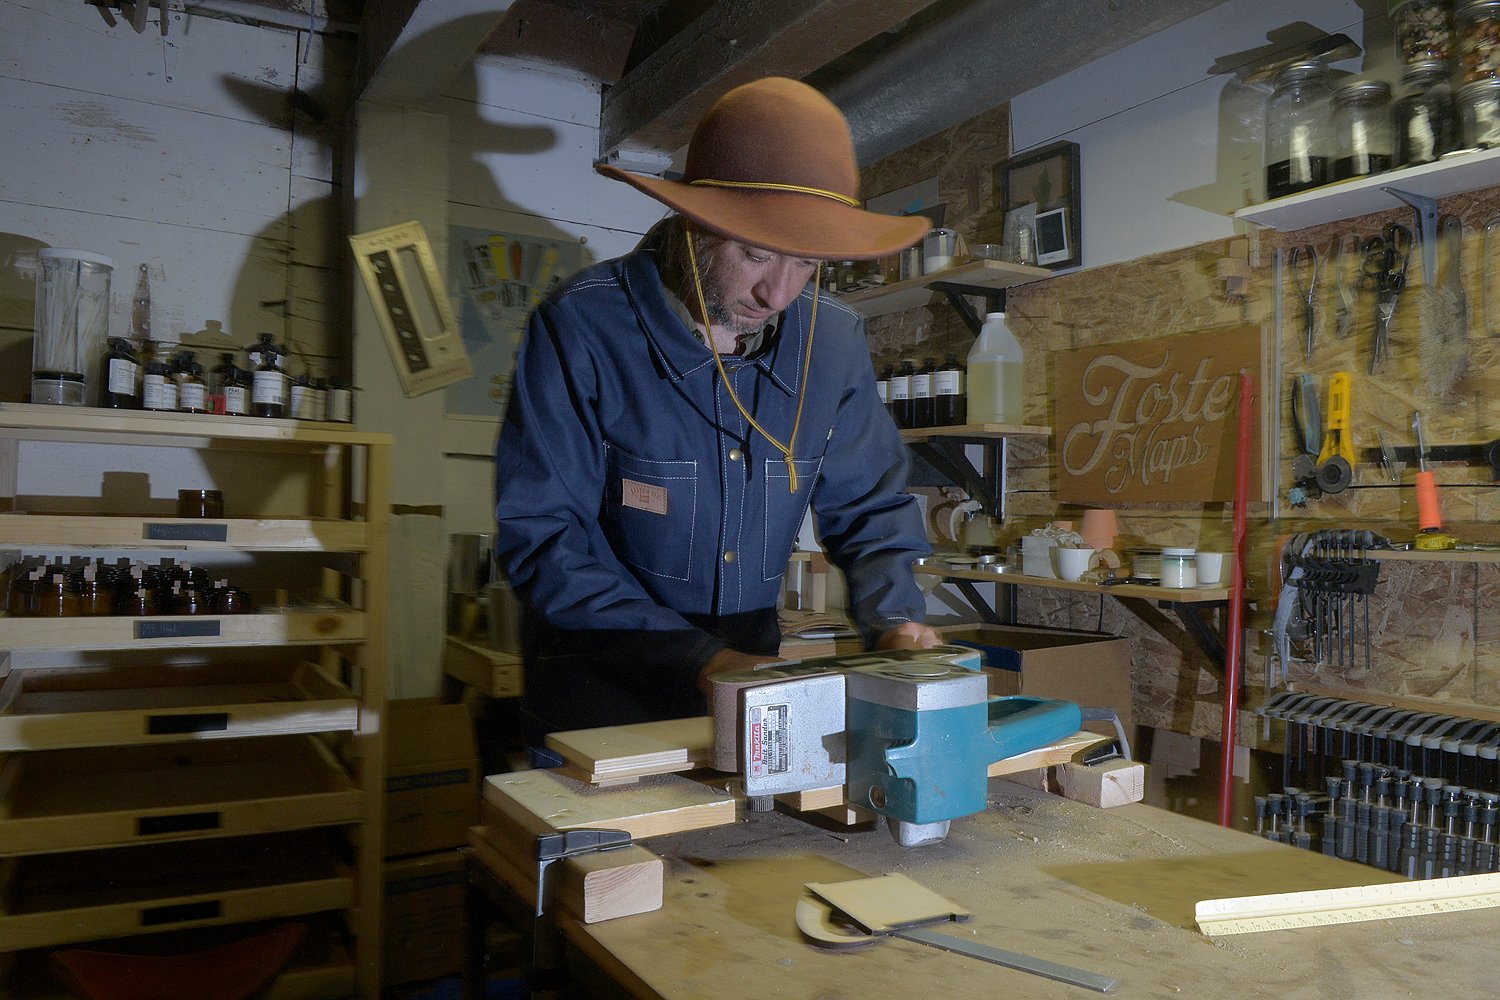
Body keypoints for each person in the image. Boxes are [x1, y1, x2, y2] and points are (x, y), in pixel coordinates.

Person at [495, 76, 942, 743]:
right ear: (696, 224)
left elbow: (871, 510)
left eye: (806, 265)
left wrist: (896, 618)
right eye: (757, 255)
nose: (779, 294)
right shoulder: (581, 328)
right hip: (598, 683)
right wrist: (698, 658)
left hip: (748, 679)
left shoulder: (834, 341)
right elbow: (545, 538)